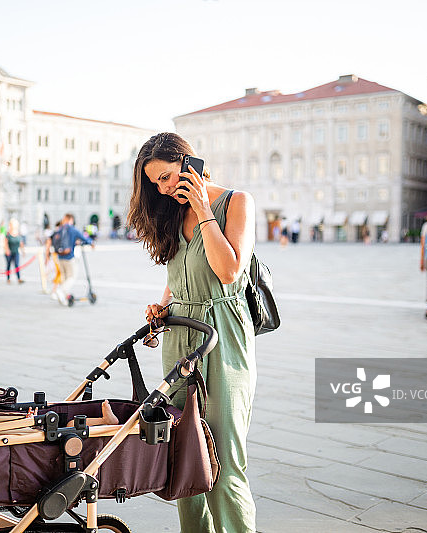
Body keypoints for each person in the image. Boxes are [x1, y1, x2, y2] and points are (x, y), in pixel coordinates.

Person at [129, 132, 257, 533]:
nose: (165, 189)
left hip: (222, 338)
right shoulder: (169, 212)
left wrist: (203, 210)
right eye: (156, 184)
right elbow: (179, 273)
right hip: (180, 335)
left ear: (190, 164)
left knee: (225, 454)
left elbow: (228, 270)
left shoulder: (236, 202)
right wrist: (163, 307)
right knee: (185, 456)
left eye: (168, 177)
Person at [52, 213, 93, 306]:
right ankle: (61, 291)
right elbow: (84, 238)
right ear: (71, 220)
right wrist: (91, 242)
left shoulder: (59, 229)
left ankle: (65, 298)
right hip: (69, 258)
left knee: (65, 277)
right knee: (72, 277)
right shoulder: (72, 229)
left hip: (59, 257)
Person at [4, 218, 26, 284]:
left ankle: (19, 278)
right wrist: (7, 250)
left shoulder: (18, 234)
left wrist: (23, 251)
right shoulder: (8, 234)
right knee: (8, 265)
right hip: (9, 252)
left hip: (16, 252)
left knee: (17, 265)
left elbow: (21, 244)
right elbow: (5, 243)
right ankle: (8, 278)